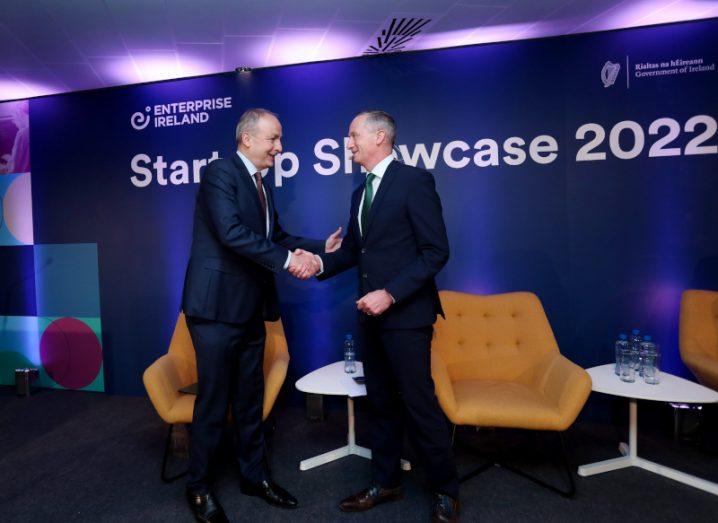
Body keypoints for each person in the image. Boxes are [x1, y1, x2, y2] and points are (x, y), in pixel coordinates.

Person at [299, 110, 459, 522]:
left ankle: (445, 490)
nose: (347, 143)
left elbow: (435, 252)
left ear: (380, 136)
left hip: (406, 317)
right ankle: (386, 481)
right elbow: (355, 251)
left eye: (353, 135)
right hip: (370, 318)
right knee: (381, 405)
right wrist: (316, 263)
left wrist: (390, 293)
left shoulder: (414, 181)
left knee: (420, 405)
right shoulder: (360, 193)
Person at [181, 108, 336, 522]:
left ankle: (254, 477)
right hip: (214, 311)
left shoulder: (262, 185)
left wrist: (323, 247)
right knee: (213, 403)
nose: (280, 148)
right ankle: (199, 487)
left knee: (249, 401)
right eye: (274, 139)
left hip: (250, 309)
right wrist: (289, 261)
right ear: (248, 139)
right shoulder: (220, 173)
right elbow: (232, 234)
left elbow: (277, 237)